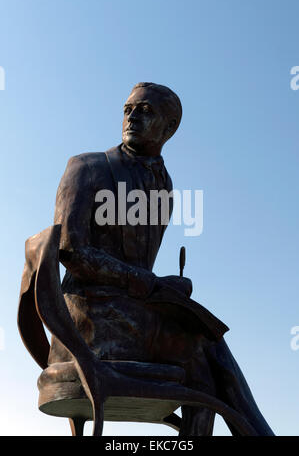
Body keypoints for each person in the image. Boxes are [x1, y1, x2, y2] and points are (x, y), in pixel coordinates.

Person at [41, 82, 274, 435]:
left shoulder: (165, 186)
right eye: (128, 109)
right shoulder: (86, 167)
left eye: (146, 111)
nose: (132, 116)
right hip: (88, 316)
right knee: (204, 348)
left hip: (131, 313)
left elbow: (133, 268)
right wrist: (149, 283)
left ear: (169, 128)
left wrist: (166, 286)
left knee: (204, 356)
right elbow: (71, 250)